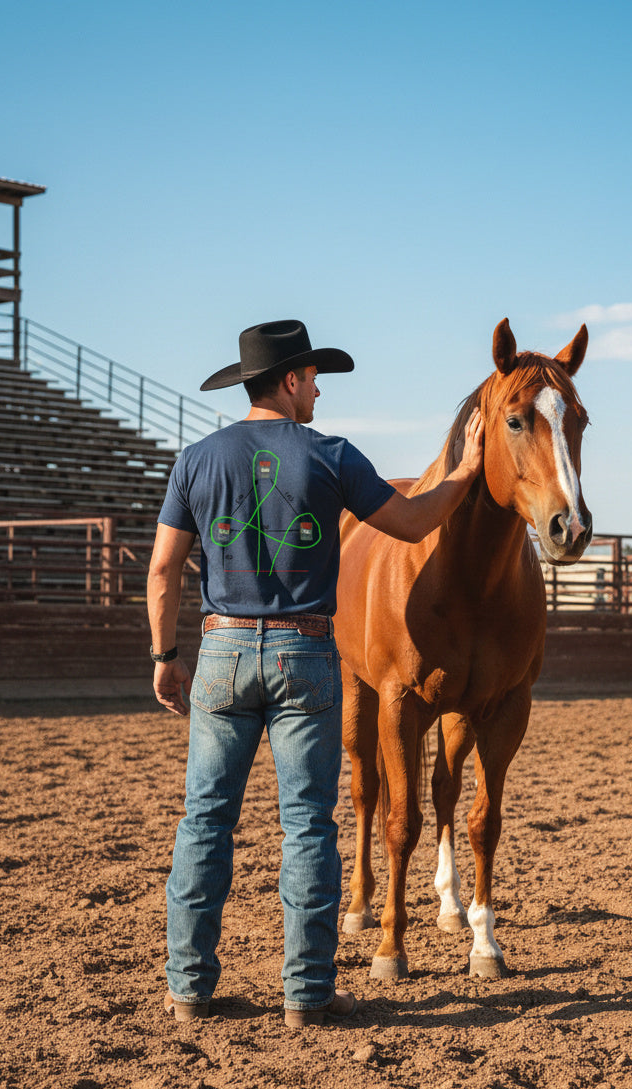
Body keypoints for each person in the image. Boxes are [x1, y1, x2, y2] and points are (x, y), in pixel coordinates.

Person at [148, 319, 483, 1027]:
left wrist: (164, 656)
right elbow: (417, 522)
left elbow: (161, 569)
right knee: (307, 825)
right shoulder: (330, 455)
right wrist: (464, 472)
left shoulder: (197, 460)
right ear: (292, 381)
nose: (319, 392)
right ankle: (307, 993)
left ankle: (189, 989)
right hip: (303, 650)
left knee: (204, 821)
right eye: (314, 379)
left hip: (221, 651)